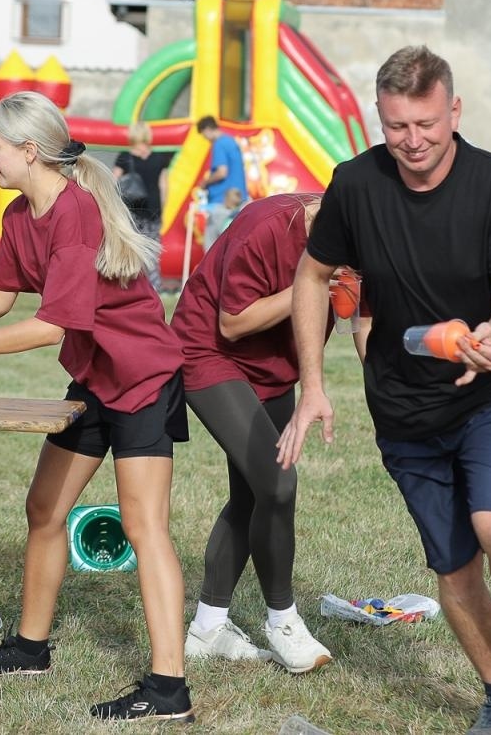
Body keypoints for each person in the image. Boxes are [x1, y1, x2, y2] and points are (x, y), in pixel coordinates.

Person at [275, 46, 491, 735]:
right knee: (453, 564)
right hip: (403, 405)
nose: (412, 141)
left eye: (426, 124)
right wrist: (313, 386)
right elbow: (309, 277)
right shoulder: (355, 184)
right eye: (396, 126)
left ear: (454, 111)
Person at [0, 90, 194, 722]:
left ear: (29, 151)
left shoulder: (77, 212)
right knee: (43, 508)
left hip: (142, 379)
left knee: (144, 528)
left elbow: (53, 324)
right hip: (93, 378)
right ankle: (31, 647)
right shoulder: (19, 216)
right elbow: (3, 297)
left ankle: (170, 688)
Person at [172, 192, 354, 674]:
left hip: (275, 367)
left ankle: (208, 629)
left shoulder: (363, 239)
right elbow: (233, 323)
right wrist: (313, 283)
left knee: (253, 494)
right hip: (210, 354)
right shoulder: (266, 225)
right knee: (278, 483)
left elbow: (363, 318)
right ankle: (283, 620)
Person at [113, 120, 172, 290]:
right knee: (152, 250)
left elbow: (113, 181)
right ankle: (154, 287)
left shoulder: (125, 157)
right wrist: (162, 208)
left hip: (132, 210)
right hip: (154, 209)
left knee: (131, 248)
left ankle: (129, 286)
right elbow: (163, 185)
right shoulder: (159, 158)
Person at [196, 115, 246, 249]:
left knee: (212, 247)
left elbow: (221, 172)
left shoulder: (219, 144)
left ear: (207, 130)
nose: (205, 139)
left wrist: (205, 182)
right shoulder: (231, 141)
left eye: (203, 135)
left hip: (222, 202)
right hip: (238, 201)